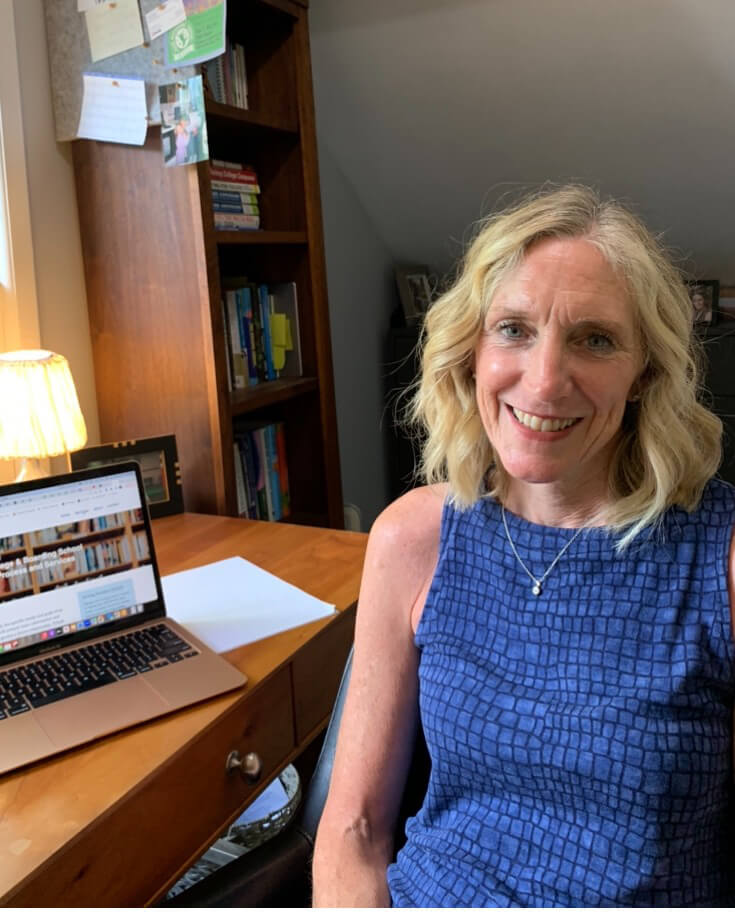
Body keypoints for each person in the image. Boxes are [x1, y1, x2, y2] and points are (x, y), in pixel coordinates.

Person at [312, 185, 734, 907]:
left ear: (643, 373)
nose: (543, 381)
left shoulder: (717, 558)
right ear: (470, 349)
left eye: (593, 338)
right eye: (512, 328)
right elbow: (353, 828)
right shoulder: (413, 538)